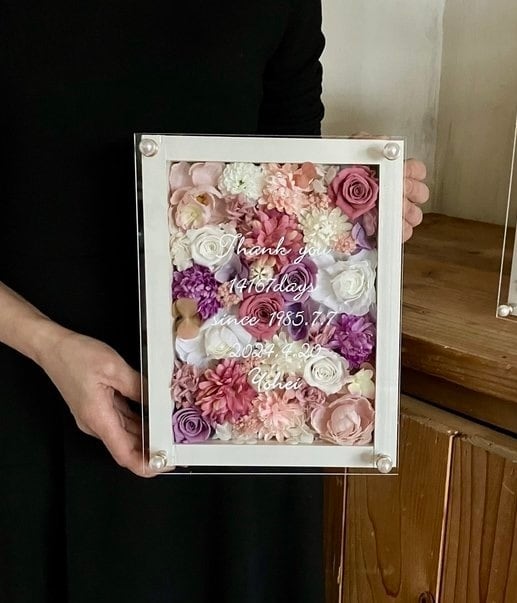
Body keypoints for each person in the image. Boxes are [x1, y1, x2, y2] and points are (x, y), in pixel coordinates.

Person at [0, 2, 429, 602]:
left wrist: (350, 195)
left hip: (237, 404)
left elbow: (284, 166)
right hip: (30, 387)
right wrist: (46, 344)